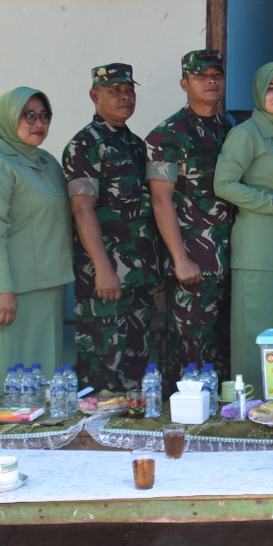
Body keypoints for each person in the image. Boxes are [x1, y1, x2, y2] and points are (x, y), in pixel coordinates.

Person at [0, 87, 72, 396]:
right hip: (9, 291)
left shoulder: (47, 163)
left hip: (46, 286)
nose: (38, 123)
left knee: (44, 375)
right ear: (7, 118)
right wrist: (2, 290)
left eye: (43, 115)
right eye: (28, 115)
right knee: (3, 377)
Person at [63, 63, 161, 392]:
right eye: (114, 91)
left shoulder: (134, 144)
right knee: (103, 368)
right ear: (94, 95)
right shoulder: (84, 145)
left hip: (137, 275)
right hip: (105, 278)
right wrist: (103, 268)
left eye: (129, 91)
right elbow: (81, 209)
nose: (124, 97)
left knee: (136, 364)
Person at [146, 49, 235, 380]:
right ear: (185, 83)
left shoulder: (230, 129)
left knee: (227, 356)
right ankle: (188, 429)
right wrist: (179, 259)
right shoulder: (167, 134)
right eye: (201, 75)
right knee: (193, 356)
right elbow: (160, 200)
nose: (211, 80)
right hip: (194, 264)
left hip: (230, 261)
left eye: (217, 74)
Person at [215, 62, 273, 383]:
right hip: (258, 254)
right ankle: (251, 411)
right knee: (256, 336)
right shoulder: (246, 134)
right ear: (257, 92)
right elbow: (223, 184)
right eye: (271, 88)